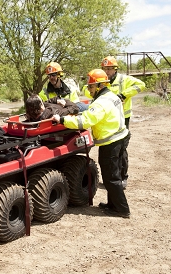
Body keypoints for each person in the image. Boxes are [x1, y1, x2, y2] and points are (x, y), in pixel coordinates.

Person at [52, 69, 130, 218]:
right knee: (114, 175)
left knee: (110, 177)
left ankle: (121, 209)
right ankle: (113, 204)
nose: (89, 90)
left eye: (91, 87)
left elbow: (85, 121)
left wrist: (62, 120)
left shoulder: (101, 103)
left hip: (111, 142)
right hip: (120, 138)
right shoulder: (111, 96)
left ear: (100, 85)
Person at [100, 56, 145, 189]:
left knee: (121, 149)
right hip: (108, 119)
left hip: (122, 119)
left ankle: (123, 177)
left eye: (109, 69)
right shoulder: (103, 81)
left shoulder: (124, 79)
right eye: (105, 69)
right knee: (109, 148)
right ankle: (112, 178)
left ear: (115, 69)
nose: (107, 72)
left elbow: (141, 85)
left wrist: (124, 94)